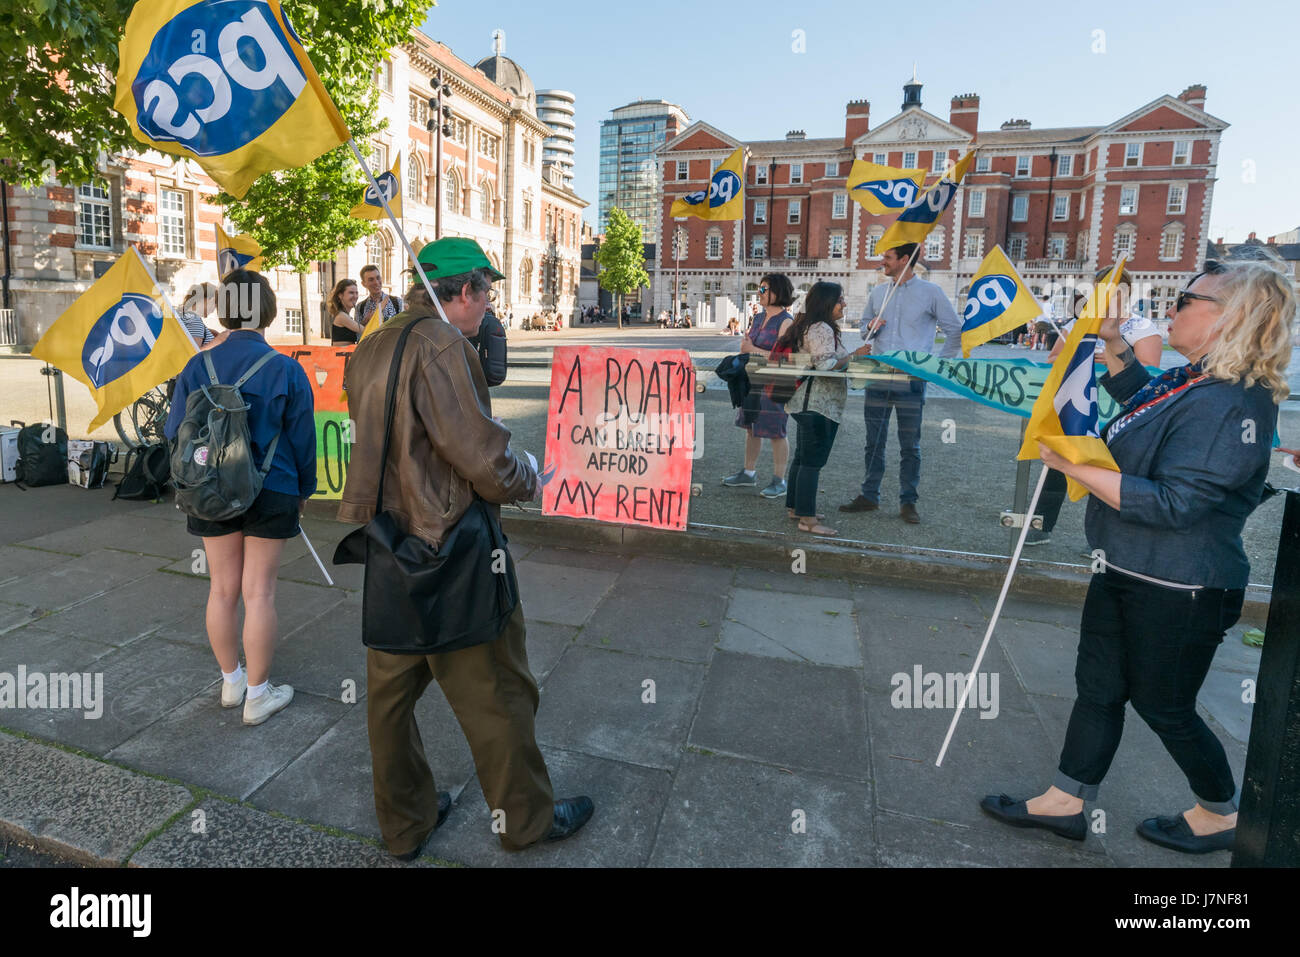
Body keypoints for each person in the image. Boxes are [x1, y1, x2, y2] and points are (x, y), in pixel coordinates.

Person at [980, 258, 1295, 853]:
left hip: (1182, 587)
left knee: (1164, 705)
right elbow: (1143, 399)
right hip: (1124, 566)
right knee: (1097, 687)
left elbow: (1178, 503)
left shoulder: (1236, 403)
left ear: (1231, 316)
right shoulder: (1196, 379)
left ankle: (1223, 813)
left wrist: (1073, 467)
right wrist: (1112, 341)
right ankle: (1066, 801)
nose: (1171, 308)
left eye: (1185, 299)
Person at [339, 236, 593, 858]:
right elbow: (483, 459)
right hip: (451, 548)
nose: (489, 307)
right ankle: (526, 822)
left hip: (387, 542)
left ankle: (407, 824)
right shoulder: (445, 345)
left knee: (389, 704)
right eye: (487, 293)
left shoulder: (371, 342)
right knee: (498, 695)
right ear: (464, 291)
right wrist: (530, 476)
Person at [163, 269, 317, 727]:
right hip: (274, 488)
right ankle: (258, 695)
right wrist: (303, 492)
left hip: (210, 489)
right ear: (267, 310)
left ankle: (231, 681)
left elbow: (174, 433)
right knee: (260, 591)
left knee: (223, 588)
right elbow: (304, 441)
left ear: (226, 309)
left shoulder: (196, 366)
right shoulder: (286, 369)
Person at [1028, 270, 1164, 546]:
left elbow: (1149, 371)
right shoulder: (1077, 324)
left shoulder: (1142, 328)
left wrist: (1111, 359)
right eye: (1100, 290)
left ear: (1126, 294)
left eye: (1115, 291)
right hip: (1077, 407)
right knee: (1058, 463)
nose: (1107, 296)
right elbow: (1053, 359)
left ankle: (1107, 543)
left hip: (1118, 410)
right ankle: (1041, 524)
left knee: (1114, 470)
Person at [840, 244, 962, 523]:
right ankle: (869, 495)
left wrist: (938, 367)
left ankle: (908, 502)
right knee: (874, 441)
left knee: (910, 445)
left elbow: (955, 330)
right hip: (878, 375)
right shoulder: (879, 292)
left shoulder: (931, 293)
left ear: (904, 260)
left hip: (911, 379)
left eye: (887, 257)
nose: (882, 260)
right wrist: (871, 328)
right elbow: (863, 331)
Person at [776, 281, 867, 537]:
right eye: (840, 299)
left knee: (803, 458)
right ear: (827, 303)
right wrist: (855, 355)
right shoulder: (821, 328)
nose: (844, 304)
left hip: (807, 403)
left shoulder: (811, 326)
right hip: (817, 404)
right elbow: (825, 365)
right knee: (812, 463)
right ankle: (808, 519)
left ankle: (796, 507)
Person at [721, 274, 794, 498]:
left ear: (777, 292)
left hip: (776, 383)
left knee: (776, 432)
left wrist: (751, 348)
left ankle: (779, 480)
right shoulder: (758, 317)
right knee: (751, 427)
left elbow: (784, 359)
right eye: (759, 289)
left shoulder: (786, 322)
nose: (759, 293)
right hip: (753, 380)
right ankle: (749, 472)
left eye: (764, 290)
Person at [357, 263, 403, 337]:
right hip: (370, 347)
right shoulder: (360, 307)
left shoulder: (397, 302)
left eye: (378, 278)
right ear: (363, 284)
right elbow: (359, 336)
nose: (376, 282)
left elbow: (403, 328)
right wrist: (365, 321)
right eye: (371, 280)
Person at [179, 282, 218, 349]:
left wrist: (207, 331)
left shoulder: (185, 316)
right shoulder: (195, 321)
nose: (213, 310)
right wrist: (218, 340)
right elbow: (193, 355)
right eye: (215, 304)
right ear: (209, 299)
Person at [327, 278, 362, 345]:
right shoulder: (342, 316)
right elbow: (366, 330)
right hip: (341, 355)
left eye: (356, 293)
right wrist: (380, 308)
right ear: (340, 295)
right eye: (351, 293)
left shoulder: (345, 315)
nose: (355, 296)